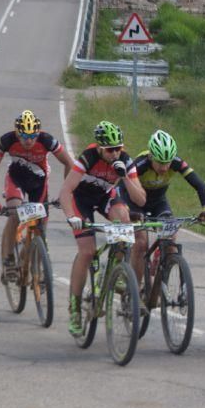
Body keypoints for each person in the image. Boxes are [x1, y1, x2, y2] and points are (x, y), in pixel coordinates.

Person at [59, 121, 146, 337]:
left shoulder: (124, 160)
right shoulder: (87, 158)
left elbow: (141, 199)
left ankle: (116, 270)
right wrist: (71, 216)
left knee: (125, 220)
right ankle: (75, 309)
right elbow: (65, 191)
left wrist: (124, 176)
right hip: (81, 201)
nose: (115, 153)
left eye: (119, 148)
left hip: (105, 196)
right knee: (87, 252)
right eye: (110, 150)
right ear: (99, 147)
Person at [0, 110, 74, 283]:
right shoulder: (7, 140)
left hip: (38, 184)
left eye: (32, 135)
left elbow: (68, 163)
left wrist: (65, 194)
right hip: (16, 180)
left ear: (37, 132)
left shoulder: (46, 140)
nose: (28, 140)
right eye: (24, 135)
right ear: (17, 133)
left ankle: (36, 266)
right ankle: (9, 260)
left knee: (41, 229)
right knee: (15, 213)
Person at [121, 129, 205, 287]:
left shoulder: (176, 162)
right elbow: (121, 188)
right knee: (141, 243)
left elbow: (199, 184)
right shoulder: (140, 164)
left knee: (171, 244)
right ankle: (134, 291)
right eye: (160, 162)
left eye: (168, 162)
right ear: (151, 157)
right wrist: (129, 211)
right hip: (136, 204)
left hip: (158, 202)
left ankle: (159, 284)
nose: (165, 167)